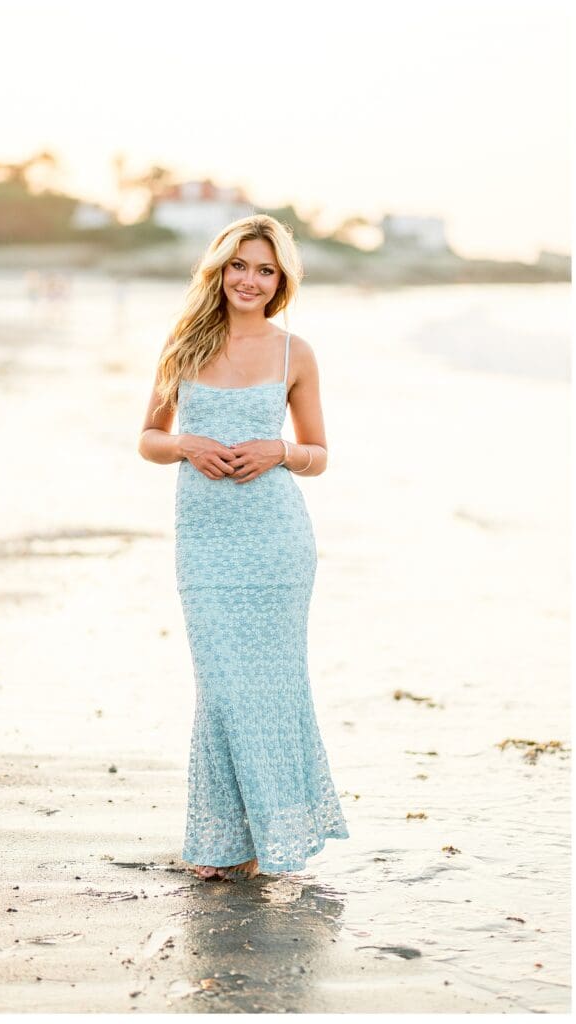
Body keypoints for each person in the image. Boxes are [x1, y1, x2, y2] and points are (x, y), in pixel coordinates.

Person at [138, 214, 349, 882]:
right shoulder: (183, 343)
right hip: (205, 538)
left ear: (280, 279)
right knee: (221, 685)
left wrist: (278, 450)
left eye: (265, 269)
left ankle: (263, 840)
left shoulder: (296, 354)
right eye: (239, 266)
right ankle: (226, 837)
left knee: (272, 684)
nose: (250, 280)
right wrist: (186, 444)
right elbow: (148, 436)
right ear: (219, 270)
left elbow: (318, 453)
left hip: (276, 537)